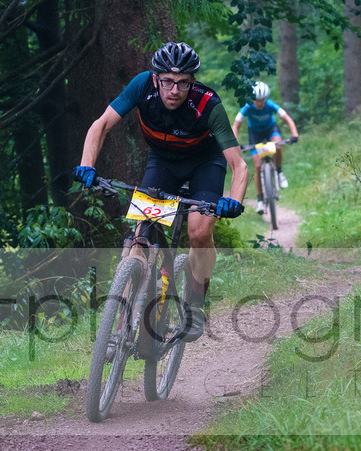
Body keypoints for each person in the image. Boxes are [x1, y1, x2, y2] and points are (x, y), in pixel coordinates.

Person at [74, 42, 248, 342]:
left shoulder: (208, 104)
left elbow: (239, 165)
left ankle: (195, 305)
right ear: (155, 78)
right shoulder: (141, 86)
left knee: (199, 232)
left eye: (183, 83)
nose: (174, 90)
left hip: (205, 163)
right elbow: (101, 125)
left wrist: (233, 201)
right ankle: (122, 323)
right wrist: (86, 166)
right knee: (140, 236)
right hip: (163, 162)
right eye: (167, 81)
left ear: (193, 81)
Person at [231, 81, 300, 214]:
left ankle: (279, 172)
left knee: (278, 146)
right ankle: (260, 199)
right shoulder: (247, 106)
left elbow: (287, 118)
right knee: (257, 165)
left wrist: (294, 135)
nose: (260, 103)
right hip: (255, 134)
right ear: (252, 99)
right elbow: (235, 125)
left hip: (271, 130)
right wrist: (235, 143)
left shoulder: (270, 105)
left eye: (262, 100)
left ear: (265, 99)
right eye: (257, 100)